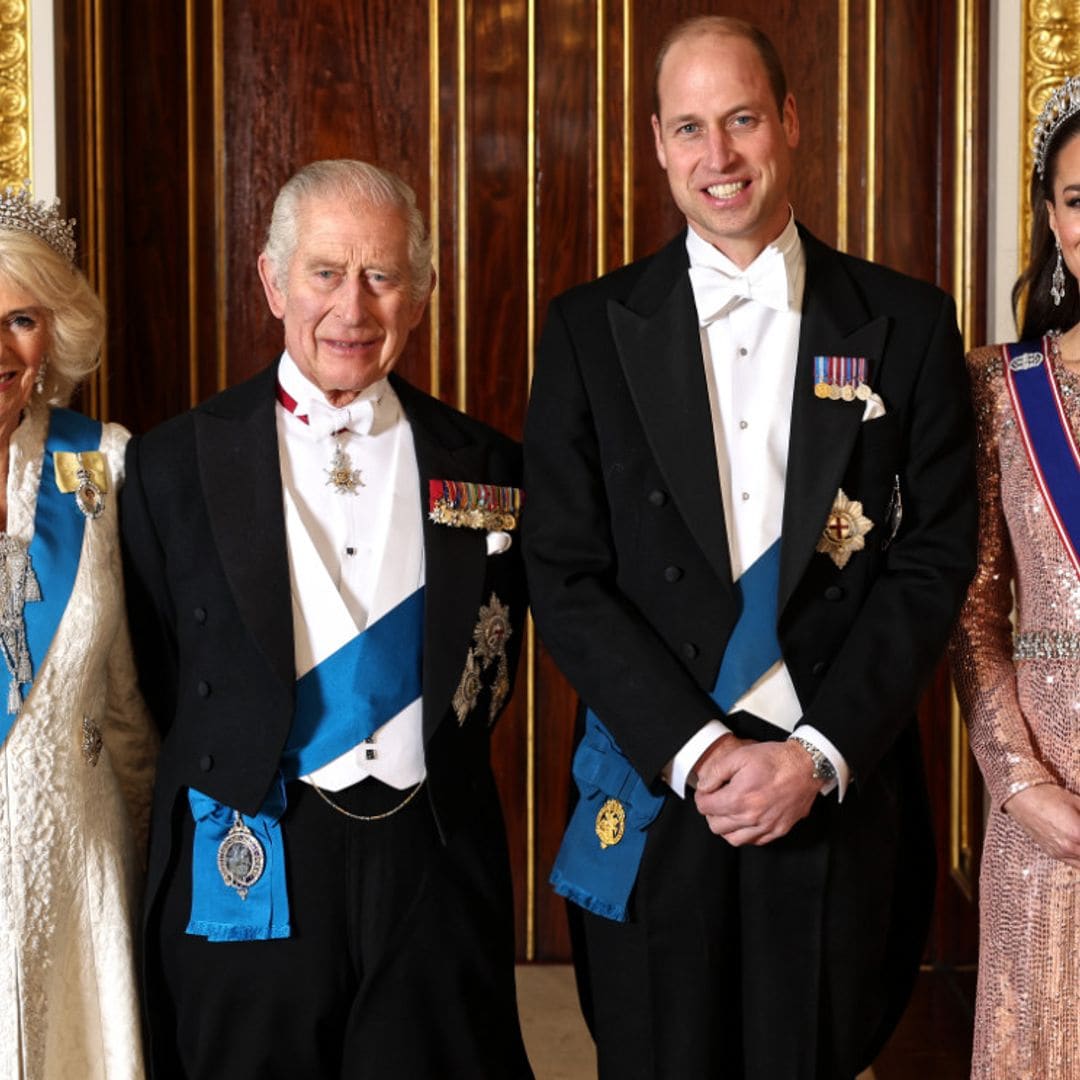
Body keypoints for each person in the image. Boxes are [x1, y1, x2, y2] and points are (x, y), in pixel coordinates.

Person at [523, 16, 977, 1079]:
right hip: (659, 780)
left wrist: (813, 755)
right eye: (689, 128)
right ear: (656, 142)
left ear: (791, 123)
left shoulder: (905, 324)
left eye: (740, 120)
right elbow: (564, 571)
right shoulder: (588, 330)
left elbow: (933, 558)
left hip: (826, 781)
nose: (717, 157)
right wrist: (704, 753)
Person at [121, 160, 532, 1079]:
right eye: (325, 272)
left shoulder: (492, 465)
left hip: (431, 863)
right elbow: (158, 678)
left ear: (419, 296)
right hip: (255, 848)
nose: (353, 307)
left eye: (382, 276)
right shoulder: (170, 466)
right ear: (272, 282)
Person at [0, 184, 156, 1078]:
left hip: (81, 860)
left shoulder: (105, 464)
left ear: (54, 331)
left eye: (21, 317)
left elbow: (131, 695)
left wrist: (144, 857)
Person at [950, 74, 1080, 1079]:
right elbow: (976, 608)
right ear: (1051, 217)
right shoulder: (1002, 388)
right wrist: (1019, 777)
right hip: (1044, 821)